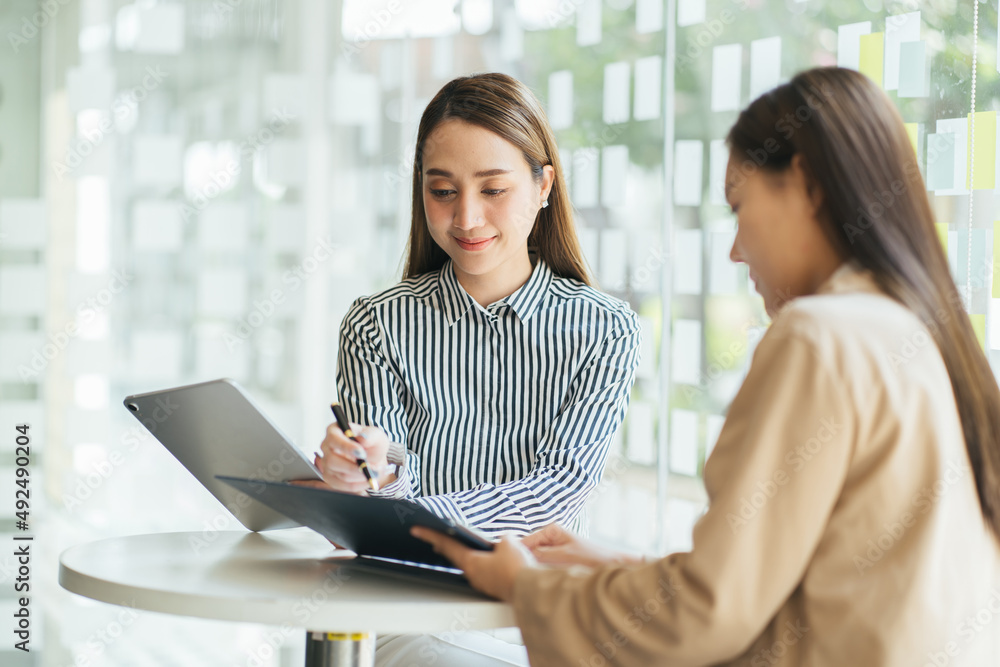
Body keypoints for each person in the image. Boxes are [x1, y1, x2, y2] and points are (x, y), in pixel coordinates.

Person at [414, 67, 1000, 666]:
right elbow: (785, 588)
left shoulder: (820, 339)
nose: (736, 248)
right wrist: (622, 571)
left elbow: (706, 614)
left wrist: (524, 585)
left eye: (740, 207)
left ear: (806, 186)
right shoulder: (913, 332)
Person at [313, 72, 642, 665]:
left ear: (545, 186)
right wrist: (360, 482)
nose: (466, 218)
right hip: (409, 613)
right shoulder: (376, 326)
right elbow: (376, 494)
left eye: (493, 190)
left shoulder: (604, 330)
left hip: (537, 614)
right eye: (443, 191)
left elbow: (556, 495)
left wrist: (403, 515)